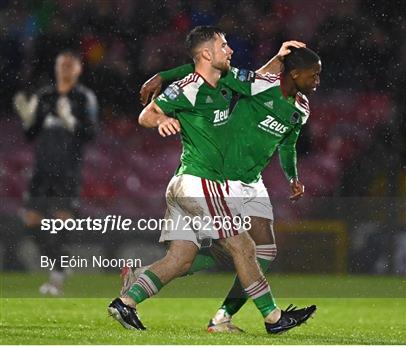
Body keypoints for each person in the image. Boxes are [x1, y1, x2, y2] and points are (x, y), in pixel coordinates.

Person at [108, 26, 315, 334]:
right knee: (243, 245)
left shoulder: (224, 83)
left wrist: (279, 56)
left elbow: (260, 79)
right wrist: (163, 118)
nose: (229, 50)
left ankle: (126, 301)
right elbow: (146, 115)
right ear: (207, 54)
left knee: (180, 260)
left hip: (185, 185)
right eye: (223, 45)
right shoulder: (189, 87)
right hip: (198, 182)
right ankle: (273, 318)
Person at [12, 51, 98, 295]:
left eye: (70, 65)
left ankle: (57, 276)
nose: (65, 69)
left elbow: (91, 134)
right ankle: (60, 262)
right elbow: (30, 135)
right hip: (41, 170)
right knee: (31, 221)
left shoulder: (84, 98)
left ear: (79, 69)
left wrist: (71, 121)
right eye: (61, 65)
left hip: (68, 170)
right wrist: (28, 120)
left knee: (62, 221)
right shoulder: (46, 95)